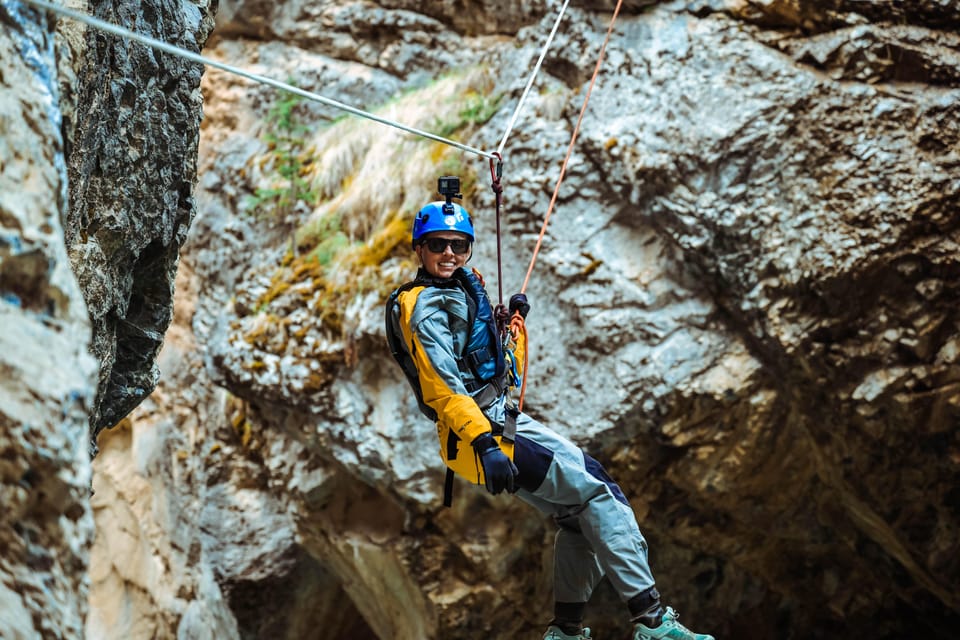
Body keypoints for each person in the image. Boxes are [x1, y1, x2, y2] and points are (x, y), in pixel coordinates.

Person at [386, 180, 714, 640]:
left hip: (488, 429)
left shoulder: (461, 289)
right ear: (419, 249)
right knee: (601, 493)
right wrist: (486, 444)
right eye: (437, 245)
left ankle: (566, 632)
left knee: (578, 514)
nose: (448, 255)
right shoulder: (425, 308)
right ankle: (653, 622)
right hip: (487, 433)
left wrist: (513, 328)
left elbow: (499, 372)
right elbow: (444, 388)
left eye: (458, 246)